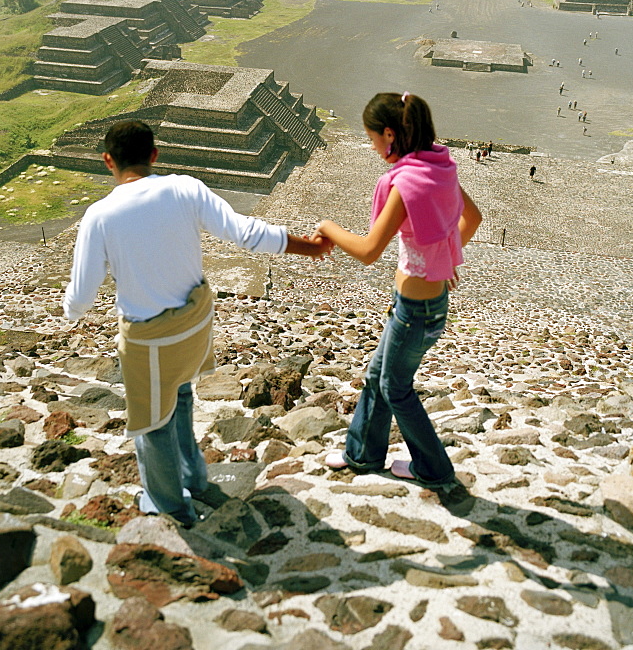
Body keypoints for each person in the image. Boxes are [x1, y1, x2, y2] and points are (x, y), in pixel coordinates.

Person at [63, 119, 331, 526]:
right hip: (195, 325)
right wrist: (306, 247)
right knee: (182, 394)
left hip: (151, 341)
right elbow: (245, 232)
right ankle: (194, 475)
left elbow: (83, 292)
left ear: (107, 161)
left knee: (152, 423)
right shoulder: (185, 188)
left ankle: (171, 504)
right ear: (154, 155)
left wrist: (70, 313)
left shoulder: (100, 215)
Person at [316, 92, 481, 489]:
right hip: (423, 303)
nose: (373, 147)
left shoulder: (406, 184)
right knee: (377, 375)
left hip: (415, 311)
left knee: (395, 387)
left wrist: (329, 228)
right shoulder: (438, 167)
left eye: (372, 138)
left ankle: (435, 467)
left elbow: (370, 250)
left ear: (390, 134)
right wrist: (443, 259)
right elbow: (472, 218)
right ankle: (363, 453)